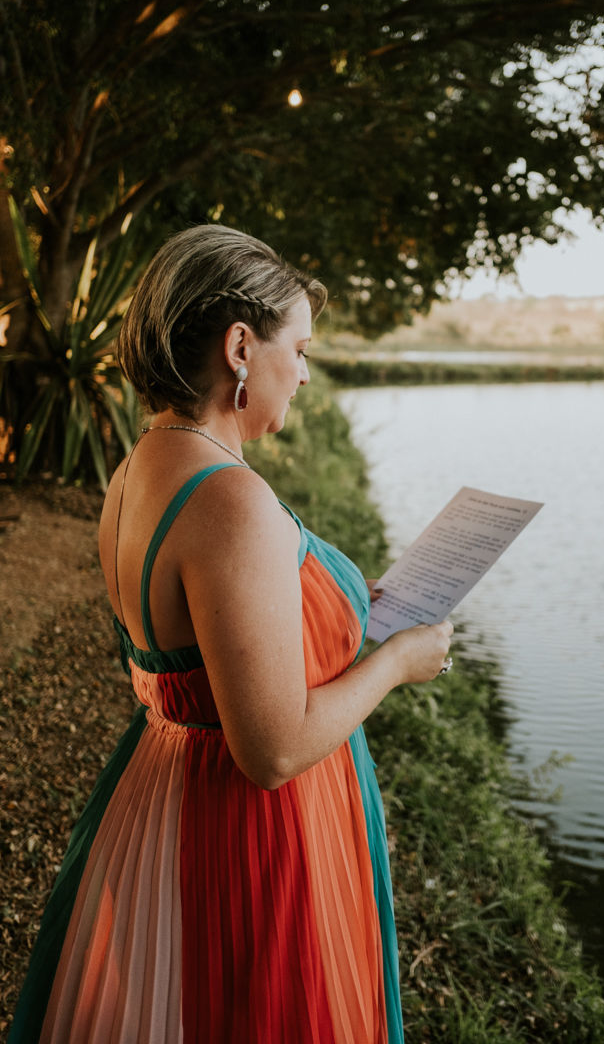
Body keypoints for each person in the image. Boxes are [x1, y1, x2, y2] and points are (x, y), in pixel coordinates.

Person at [10, 225, 453, 1044]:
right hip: (249, 836)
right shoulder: (229, 499)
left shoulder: (139, 468)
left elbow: (208, 639)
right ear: (241, 346)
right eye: (301, 349)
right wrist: (398, 661)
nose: (306, 374)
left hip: (160, 795)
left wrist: (336, 607)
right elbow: (272, 751)